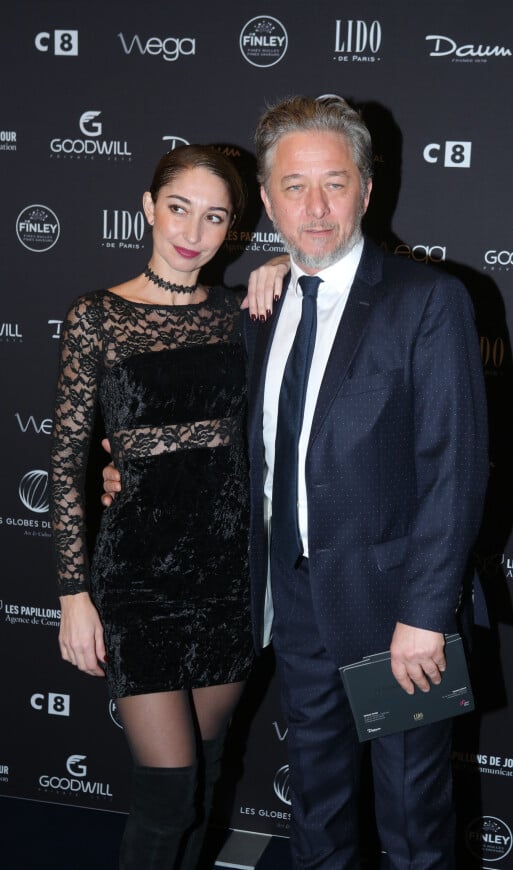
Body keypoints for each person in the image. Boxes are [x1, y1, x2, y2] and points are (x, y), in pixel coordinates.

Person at [104, 97, 488, 868]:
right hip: (298, 601)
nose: (314, 208)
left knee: (413, 817)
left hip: (396, 614)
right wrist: (130, 477)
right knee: (318, 806)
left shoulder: (426, 302)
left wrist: (423, 614)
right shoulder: (258, 306)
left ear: (368, 190)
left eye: (335, 184)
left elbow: (456, 468)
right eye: (294, 187)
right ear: (269, 200)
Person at [50, 143, 287, 870]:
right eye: (179, 207)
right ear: (149, 208)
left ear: (233, 231)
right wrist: (73, 594)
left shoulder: (244, 313)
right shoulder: (97, 315)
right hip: (138, 577)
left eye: (214, 217)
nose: (193, 231)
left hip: (225, 576)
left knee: (207, 780)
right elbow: (64, 464)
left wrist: (286, 270)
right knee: (167, 792)